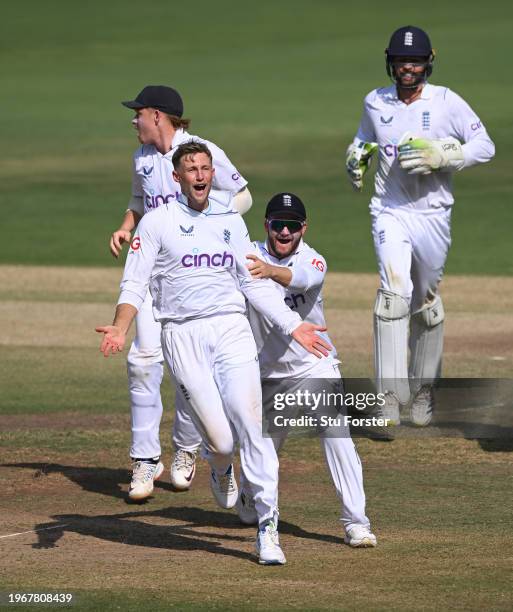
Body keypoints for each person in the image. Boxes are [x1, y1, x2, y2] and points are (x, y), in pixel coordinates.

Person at [97, 141, 332, 565]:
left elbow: (253, 280)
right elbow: (133, 284)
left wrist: (293, 325)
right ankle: (220, 463)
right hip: (182, 336)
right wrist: (120, 326)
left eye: (206, 168)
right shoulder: (157, 222)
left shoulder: (229, 217)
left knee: (251, 425)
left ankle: (267, 527)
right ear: (177, 177)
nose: (201, 175)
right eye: (192, 169)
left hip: (231, 328)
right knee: (222, 440)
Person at [171, 192, 377, 548]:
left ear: (303, 228)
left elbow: (300, 280)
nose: (284, 232)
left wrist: (269, 271)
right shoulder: (245, 253)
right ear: (266, 224)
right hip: (264, 375)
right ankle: (250, 495)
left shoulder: (314, 260)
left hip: (314, 364)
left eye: (292, 225)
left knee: (337, 436)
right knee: (260, 455)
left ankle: (356, 523)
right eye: (277, 224)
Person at [345, 25, 495, 425]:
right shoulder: (375, 101)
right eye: (399, 60)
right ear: (389, 63)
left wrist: (443, 155)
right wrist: (357, 155)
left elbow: (485, 146)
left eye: (413, 60)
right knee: (394, 294)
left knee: (425, 305)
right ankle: (389, 394)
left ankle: (425, 387)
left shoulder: (447, 102)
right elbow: (365, 139)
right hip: (390, 210)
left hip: (433, 213)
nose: (406, 67)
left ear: (428, 61)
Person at [110, 85, 252, 500]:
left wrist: (205, 224)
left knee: (194, 369)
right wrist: (126, 226)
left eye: (138, 113)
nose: (133, 120)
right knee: (142, 363)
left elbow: (241, 196)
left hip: (197, 279)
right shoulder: (141, 158)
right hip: (155, 276)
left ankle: (187, 449)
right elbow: (139, 202)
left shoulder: (201, 152)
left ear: (157, 115)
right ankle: (144, 461)